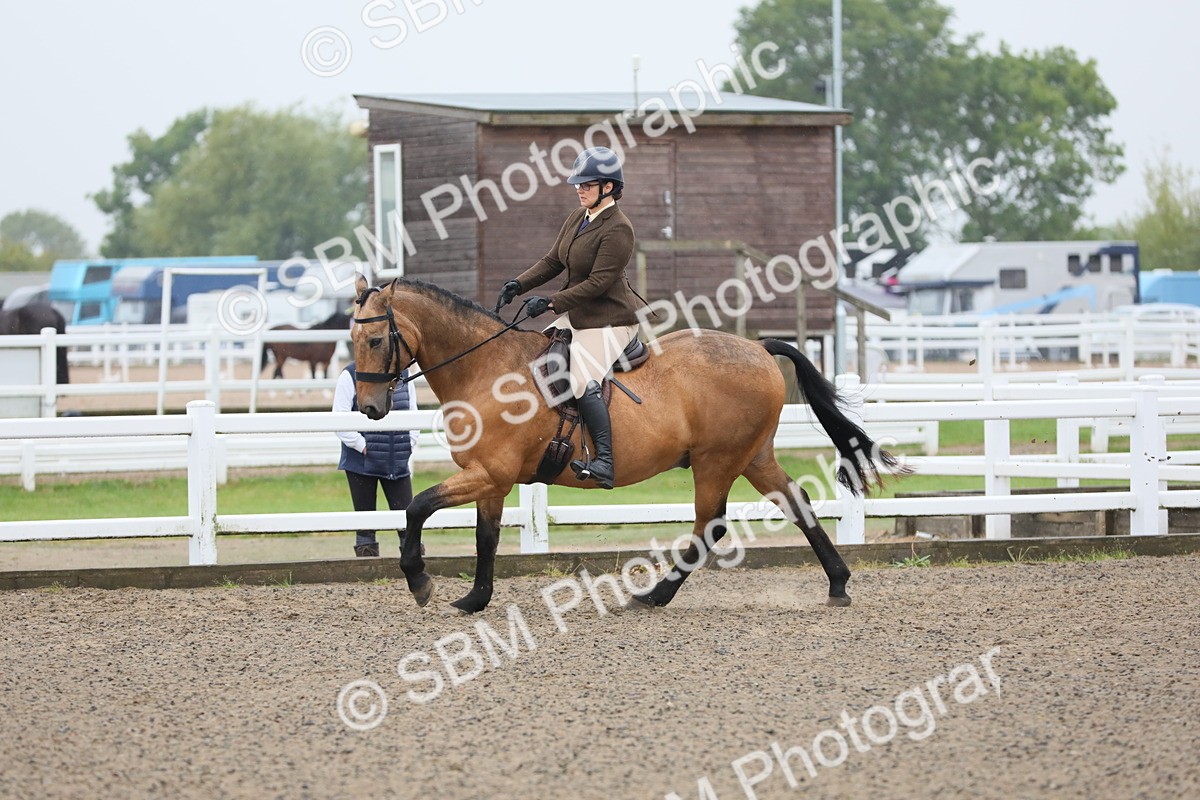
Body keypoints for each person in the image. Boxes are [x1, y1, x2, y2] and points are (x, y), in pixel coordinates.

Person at [496, 146, 649, 490]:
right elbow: (552, 261)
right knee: (534, 356)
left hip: (610, 322)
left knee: (580, 380)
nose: (579, 189)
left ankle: (605, 461)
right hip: (578, 315)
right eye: (578, 184)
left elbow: (598, 283)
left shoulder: (619, 229)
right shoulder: (579, 216)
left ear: (607, 187)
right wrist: (518, 284)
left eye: (587, 184)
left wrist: (551, 303)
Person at [333, 361, 420, 557]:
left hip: (397, 457)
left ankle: (414, 565)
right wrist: (362, 446)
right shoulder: (349, 374)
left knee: (407, 521)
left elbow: (413, 412)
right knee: (365, 525)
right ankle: (367, 567)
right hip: (360, 461)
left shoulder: (404, 374)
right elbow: (339, 417)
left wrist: (409, 443)